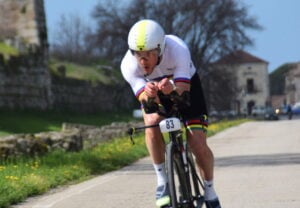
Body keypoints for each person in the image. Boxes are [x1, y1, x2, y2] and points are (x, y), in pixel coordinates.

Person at [120, 19, 221, 208]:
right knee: (151, 122)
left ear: (160, 49)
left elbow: (183, 92)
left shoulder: (177, 49)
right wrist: (149, 95)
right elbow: (146, 103)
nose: (143, 60)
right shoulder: (128, 65)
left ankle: (209, 190)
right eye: (138, 54)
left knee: (197, 144)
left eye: (148, 54)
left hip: (185, 89)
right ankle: (162, 182)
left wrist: (172, 88)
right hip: (157, 94)